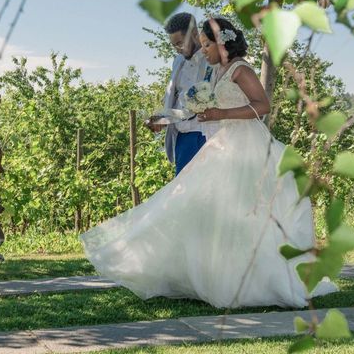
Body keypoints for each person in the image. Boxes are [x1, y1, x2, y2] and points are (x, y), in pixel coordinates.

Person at [81, 18, 337, 309]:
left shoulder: (240, 68)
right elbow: (193, 108)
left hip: (248, 146)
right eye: (201, 45)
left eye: (206, 45)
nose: (203, 51)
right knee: (209, 210)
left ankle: (256, 279)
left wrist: (220, 114)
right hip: (222, 144)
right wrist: (167, 120)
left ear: (221, 42)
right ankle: (211, 273)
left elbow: (262, 106)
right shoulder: (218, 71)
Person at [146, 12, 213, 175]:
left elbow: (196, 104)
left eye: (180, 43)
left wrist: (164, 118)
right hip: (180, 137)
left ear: (195, 35)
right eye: (174, 45)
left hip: (201, 135)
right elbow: (175, 96)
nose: (177, 49)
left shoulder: (210, 60)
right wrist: (159, 118)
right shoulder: (178, 60)